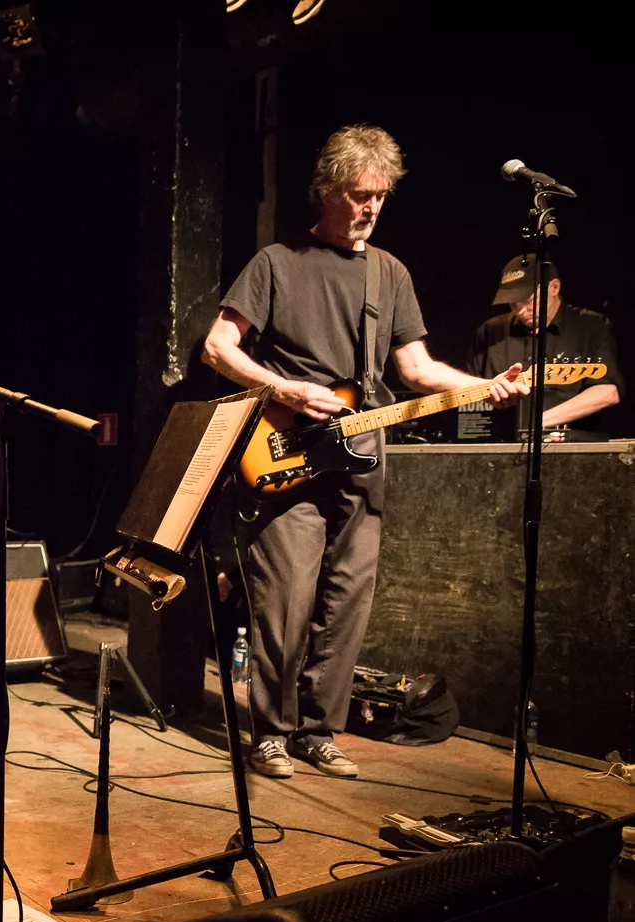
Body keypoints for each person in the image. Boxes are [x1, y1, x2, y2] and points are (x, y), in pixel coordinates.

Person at [200, 125, 527, 780]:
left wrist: (482, 387)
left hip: (364, 454)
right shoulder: (276, 264)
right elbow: (216, 347)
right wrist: (283, 388)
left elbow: (415, 367)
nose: (371, 207)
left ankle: (318, 730)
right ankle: (271, 733)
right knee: (285, 597)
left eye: (380, 195)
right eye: (358, 194)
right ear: (326, 190)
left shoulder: (389, 273)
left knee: (349, 597)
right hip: (287, 451)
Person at [468, 255, 622, 440]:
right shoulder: (489, 332)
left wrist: (541, 422)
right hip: (498, 448)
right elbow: (470, 399)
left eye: (528, 301)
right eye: (513, 303)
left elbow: (607, 392)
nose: (520, 310)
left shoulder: (592, 326)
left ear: (554, 287)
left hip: (570, 448)